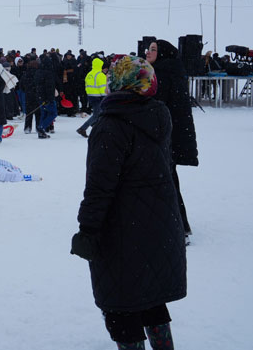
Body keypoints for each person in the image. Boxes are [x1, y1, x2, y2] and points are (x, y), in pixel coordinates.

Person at [71, 55, 186, 350]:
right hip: (158, 227)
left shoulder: (111, 126)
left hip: (123, 231)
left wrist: (88, 230)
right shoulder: (157, 116)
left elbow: (99, 187)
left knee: (121, 306)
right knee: (150, 299)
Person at [147, 39, 198, 243]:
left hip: (164, 137)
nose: (148, 52)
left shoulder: (161, 74)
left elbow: (156, 106)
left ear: (163, 54)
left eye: (153, 49)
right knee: (168, 180)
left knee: (166, 181)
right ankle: (178, 224)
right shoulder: (171, 71)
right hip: (170, 136)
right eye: (148, 49)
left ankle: (179, 226)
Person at [76, 57, 108, 138]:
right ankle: (83, 128)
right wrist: (105, 96)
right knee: (97, 114)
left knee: (98, 113)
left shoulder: (89, 74)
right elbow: (103, 88)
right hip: (98, 97)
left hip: (90, 96)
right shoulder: (100, 75)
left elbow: (86, 85)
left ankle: (95, 126)